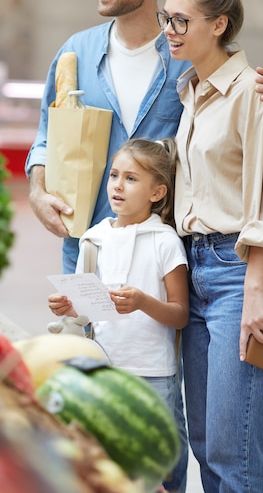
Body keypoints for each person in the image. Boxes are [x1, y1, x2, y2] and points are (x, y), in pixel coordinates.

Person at [25, 0, 263, 493]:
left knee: (193, 419)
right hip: (94, 253)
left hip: (177, 260)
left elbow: (261, 160)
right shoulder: (80, 53)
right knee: (105, 414)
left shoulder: (192, 66)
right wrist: (38, 187)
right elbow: (47, 132)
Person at [158, 0, 263, 493]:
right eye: (166, 18)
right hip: (194, 268)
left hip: (242, 275)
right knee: (203, 444)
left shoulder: (253, 92)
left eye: (180, 21)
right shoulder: (191, 90)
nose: (169, 31)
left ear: (217, 25)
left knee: (233, 448)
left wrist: (256, 291)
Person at [48, 138, 189, 490]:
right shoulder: (93, 240)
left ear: (157, 192)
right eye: (114, 175)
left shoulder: (165, 241)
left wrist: (143, 302)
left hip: (154, 374)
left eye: (131, 178)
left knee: (157, 466)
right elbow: (86, 314)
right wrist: (69, 307)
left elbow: (180, 314)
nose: (117, 185)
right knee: (110, 465)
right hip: (105, 371)